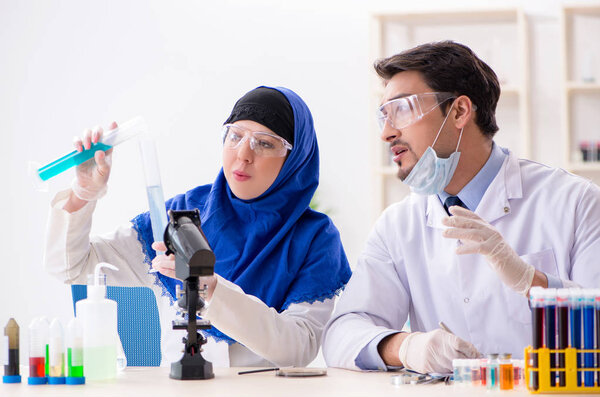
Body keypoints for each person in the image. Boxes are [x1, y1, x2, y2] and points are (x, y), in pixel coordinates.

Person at [322, 41, 600, 373]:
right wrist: (408, 347)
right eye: (383, 115)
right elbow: (341, 332)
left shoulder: (576, 201)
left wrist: (533, 282)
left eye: (402, 109)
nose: (386, 132)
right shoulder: (398, 224)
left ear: (459, 111)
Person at [44, 86, 351, 367]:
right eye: (235, 135)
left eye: (264, 143)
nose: (243, 155)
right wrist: (81, 196)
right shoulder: (181, 215)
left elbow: (298, 347)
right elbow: (71, 267)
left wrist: (212, 289)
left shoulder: (314, 238)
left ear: (294, 159)